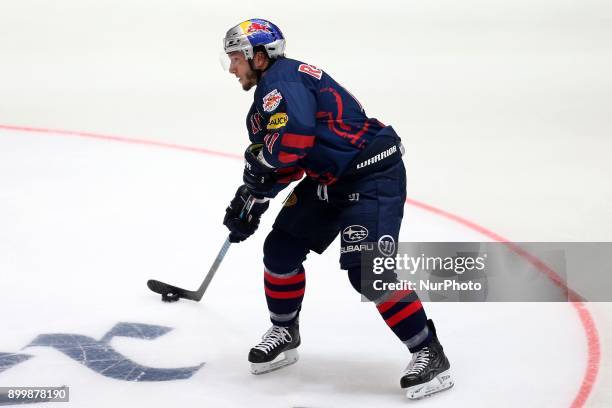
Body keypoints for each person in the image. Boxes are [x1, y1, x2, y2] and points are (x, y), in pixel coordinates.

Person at [221, 18, 453, 399]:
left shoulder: (285, 82)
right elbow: (291, 158)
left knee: (368, 273)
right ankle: (285, 329)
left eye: (236, 58)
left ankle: (429, 352)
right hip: (331, 178)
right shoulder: (269, 94)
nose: (232, 68)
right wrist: (254, 197)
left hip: (371, 177)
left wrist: (260, 172)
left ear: (259, 56)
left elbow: (292, 141)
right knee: (280, 251)